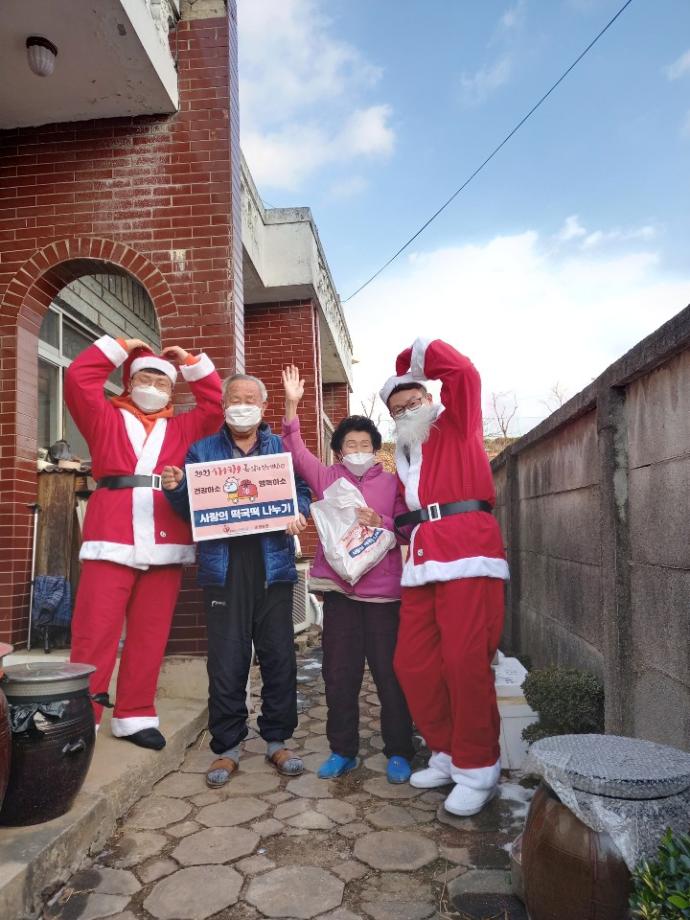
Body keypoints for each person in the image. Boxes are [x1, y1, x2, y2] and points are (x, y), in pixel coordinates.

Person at [65, 334, 223, 750]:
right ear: (130, 382)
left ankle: (134, 714)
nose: (153, 388)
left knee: (151, 633)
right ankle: (84, 717)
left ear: (173, 390)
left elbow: (214, 405)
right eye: (145, 379)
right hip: (111, 532)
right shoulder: (103, 415)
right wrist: (119, 345)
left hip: (165, 533)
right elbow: (79, 378)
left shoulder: (185, 425)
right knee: (94, 631)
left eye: (162, 382)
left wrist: (190, 363)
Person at [379, 337, 509, 816]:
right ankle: (448, 753)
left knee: (464, 662)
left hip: (468, 549)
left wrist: (414, 356)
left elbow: (464, 374)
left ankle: (478, 767)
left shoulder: (457, 423)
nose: (407, 409)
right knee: (412, 663)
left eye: (413, 400)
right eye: (397, 407)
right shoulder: (406, 453)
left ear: (429, 398)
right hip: (422, 560)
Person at [163, 373, 312, 787]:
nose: (241, 404)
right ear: (224, 404)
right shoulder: (202, 450)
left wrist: (299, 511)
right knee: (227, 662)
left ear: (263, 407)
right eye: (235, 398)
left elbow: (301, 489)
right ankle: (227, 747)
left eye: (250, 399)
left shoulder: (279, 448)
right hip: (223, 566)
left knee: (279, 656)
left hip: (273, 565)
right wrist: (176, 489)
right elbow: (189, 506)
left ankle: (278, 739)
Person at [282, 365, 415, 783]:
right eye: (349, 443)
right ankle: (343, 751)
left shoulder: (393, 484)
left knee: (391, 677)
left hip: (384, 597)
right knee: (339, 677)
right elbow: (295, 448)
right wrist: (291, 404)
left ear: (375, 448)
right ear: (339, 450)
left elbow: (409, 526)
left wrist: (382, 523)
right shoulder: (326, 479)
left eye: (364, 443)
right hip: (340, 596)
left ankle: (399, 751)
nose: (357, 448)